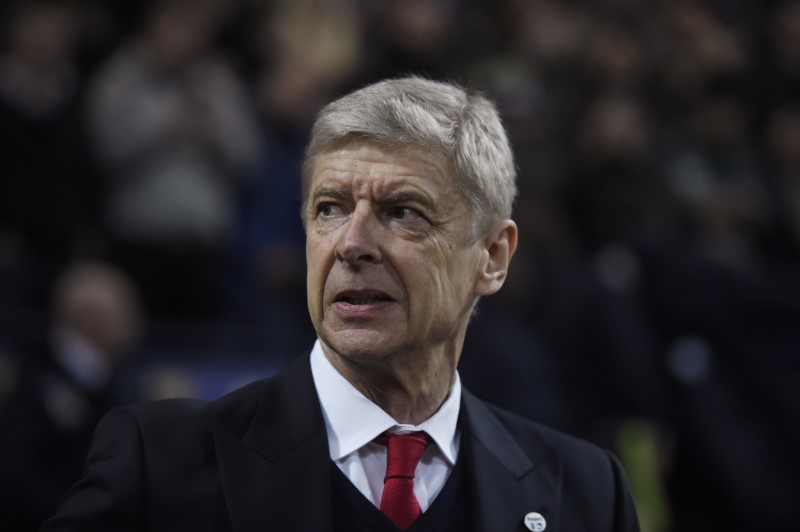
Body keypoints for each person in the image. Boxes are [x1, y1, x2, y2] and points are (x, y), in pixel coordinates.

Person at [43, 77, 639, 531]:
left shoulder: (585, 494)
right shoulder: (159, 464)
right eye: (329, 208)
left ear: (493, 257)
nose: (351, 244)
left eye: (402, 211)